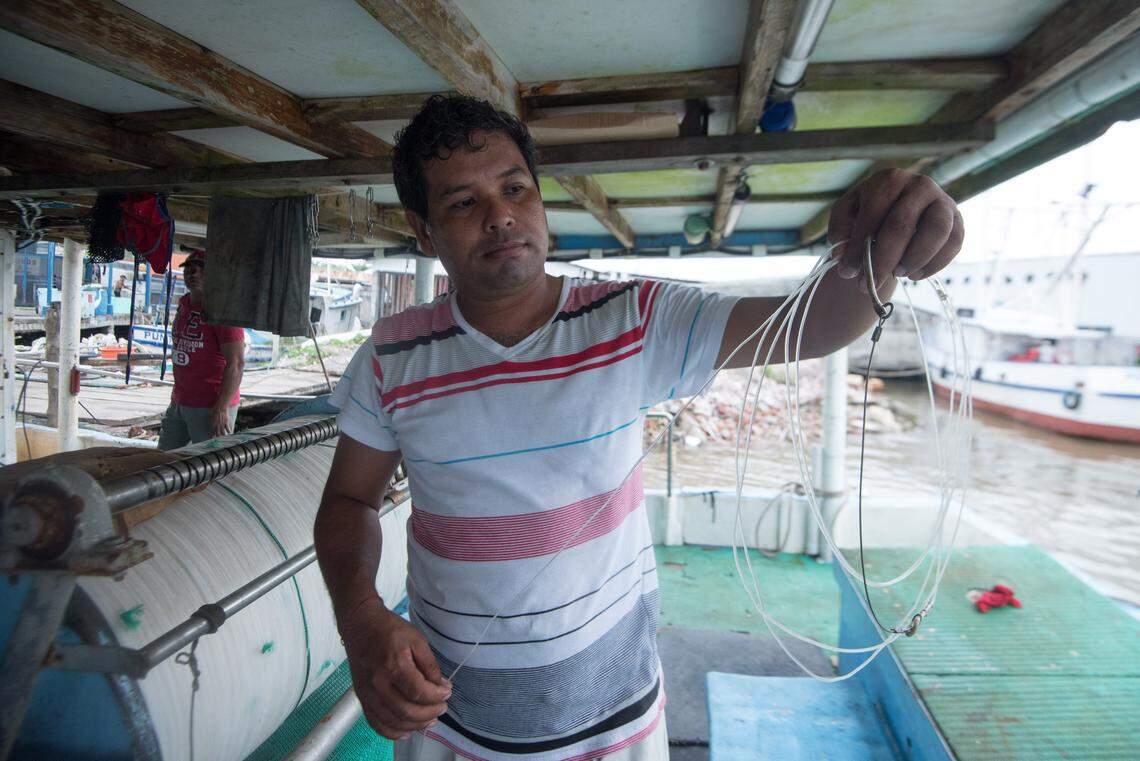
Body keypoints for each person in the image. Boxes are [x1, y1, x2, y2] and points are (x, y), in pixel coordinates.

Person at [316, 95, 964, 761]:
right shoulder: (391, 354)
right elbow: (348, 501)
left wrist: (881, 245)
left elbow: (821, 322)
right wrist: (364, 622)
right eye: (462, 203)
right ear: (425, 234)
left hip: (614, 727)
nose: (501, 215)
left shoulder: (633, 318)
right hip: (450, 729)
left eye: (515, 188)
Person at [157, 251, 245, 450]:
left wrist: (222, 407)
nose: (194, 274)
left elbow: (237, 363)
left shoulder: (222, 311)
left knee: (211, 466)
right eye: (189, 269)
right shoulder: (184, 303)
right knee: (163, 461)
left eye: (201, 269)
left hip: (210, 406)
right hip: (180, 401)